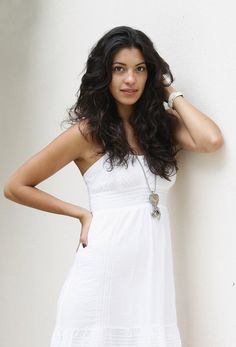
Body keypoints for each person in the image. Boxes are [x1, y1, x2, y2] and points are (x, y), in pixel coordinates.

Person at [3, 26, 224, 346]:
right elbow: (16, 185)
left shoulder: (160, 127)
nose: (130, 80)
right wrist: (81, 214)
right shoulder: (87, 133)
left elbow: (211, 140)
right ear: (104, 74)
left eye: (140, 69)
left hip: (150, 277)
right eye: (119, 69)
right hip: (103, 270)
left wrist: (168, 92)